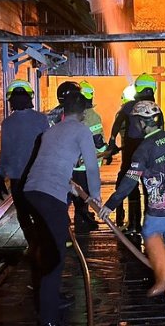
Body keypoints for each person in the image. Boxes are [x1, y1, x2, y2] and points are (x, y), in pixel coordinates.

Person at [99, 101, 165, 298]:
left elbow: (130, 180)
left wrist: (111, 204)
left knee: (150, 234)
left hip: (161, 209)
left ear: (141, 123)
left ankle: (164, 278)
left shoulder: (143, 149)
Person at [24, 91, 102, 325]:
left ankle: (52, 298)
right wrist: (95, 197)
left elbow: (51, 166)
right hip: (49, 196)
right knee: (55, 255)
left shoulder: (50, 131)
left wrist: (74, 190)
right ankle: (49, 317)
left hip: (32, 192)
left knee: (48, 245)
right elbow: (92, 167)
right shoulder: (81, 130)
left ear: (64, 111)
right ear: (84, 112)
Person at [0, 80, 48, 248]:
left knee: (23, 214)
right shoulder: (42, 119)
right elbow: (48, 146)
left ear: (11, 100)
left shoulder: (7, 123)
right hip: (38, 177)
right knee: (40, 212)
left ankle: (33, 245)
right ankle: (43, 244)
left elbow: (6, 151)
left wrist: (0, 175)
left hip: (18, 177)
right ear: (30, 97)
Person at [107, 73, 164, 233]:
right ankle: (149, 225)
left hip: (132, 152)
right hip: (150, 153)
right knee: (150, 189)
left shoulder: (128, 107)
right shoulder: (156, 110)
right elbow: (162, 132)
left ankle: (134, 224)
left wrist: (111, 144)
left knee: (131, 186)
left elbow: (116, 125)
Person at [70, 80, 107, 232]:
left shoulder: (72, 116)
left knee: (79, 195)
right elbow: (98, 143)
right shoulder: (93, 116)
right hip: (88, 165)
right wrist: (105, 152)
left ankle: (83, 217)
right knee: (84, 195)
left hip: (74, 164)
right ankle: (82, 222)